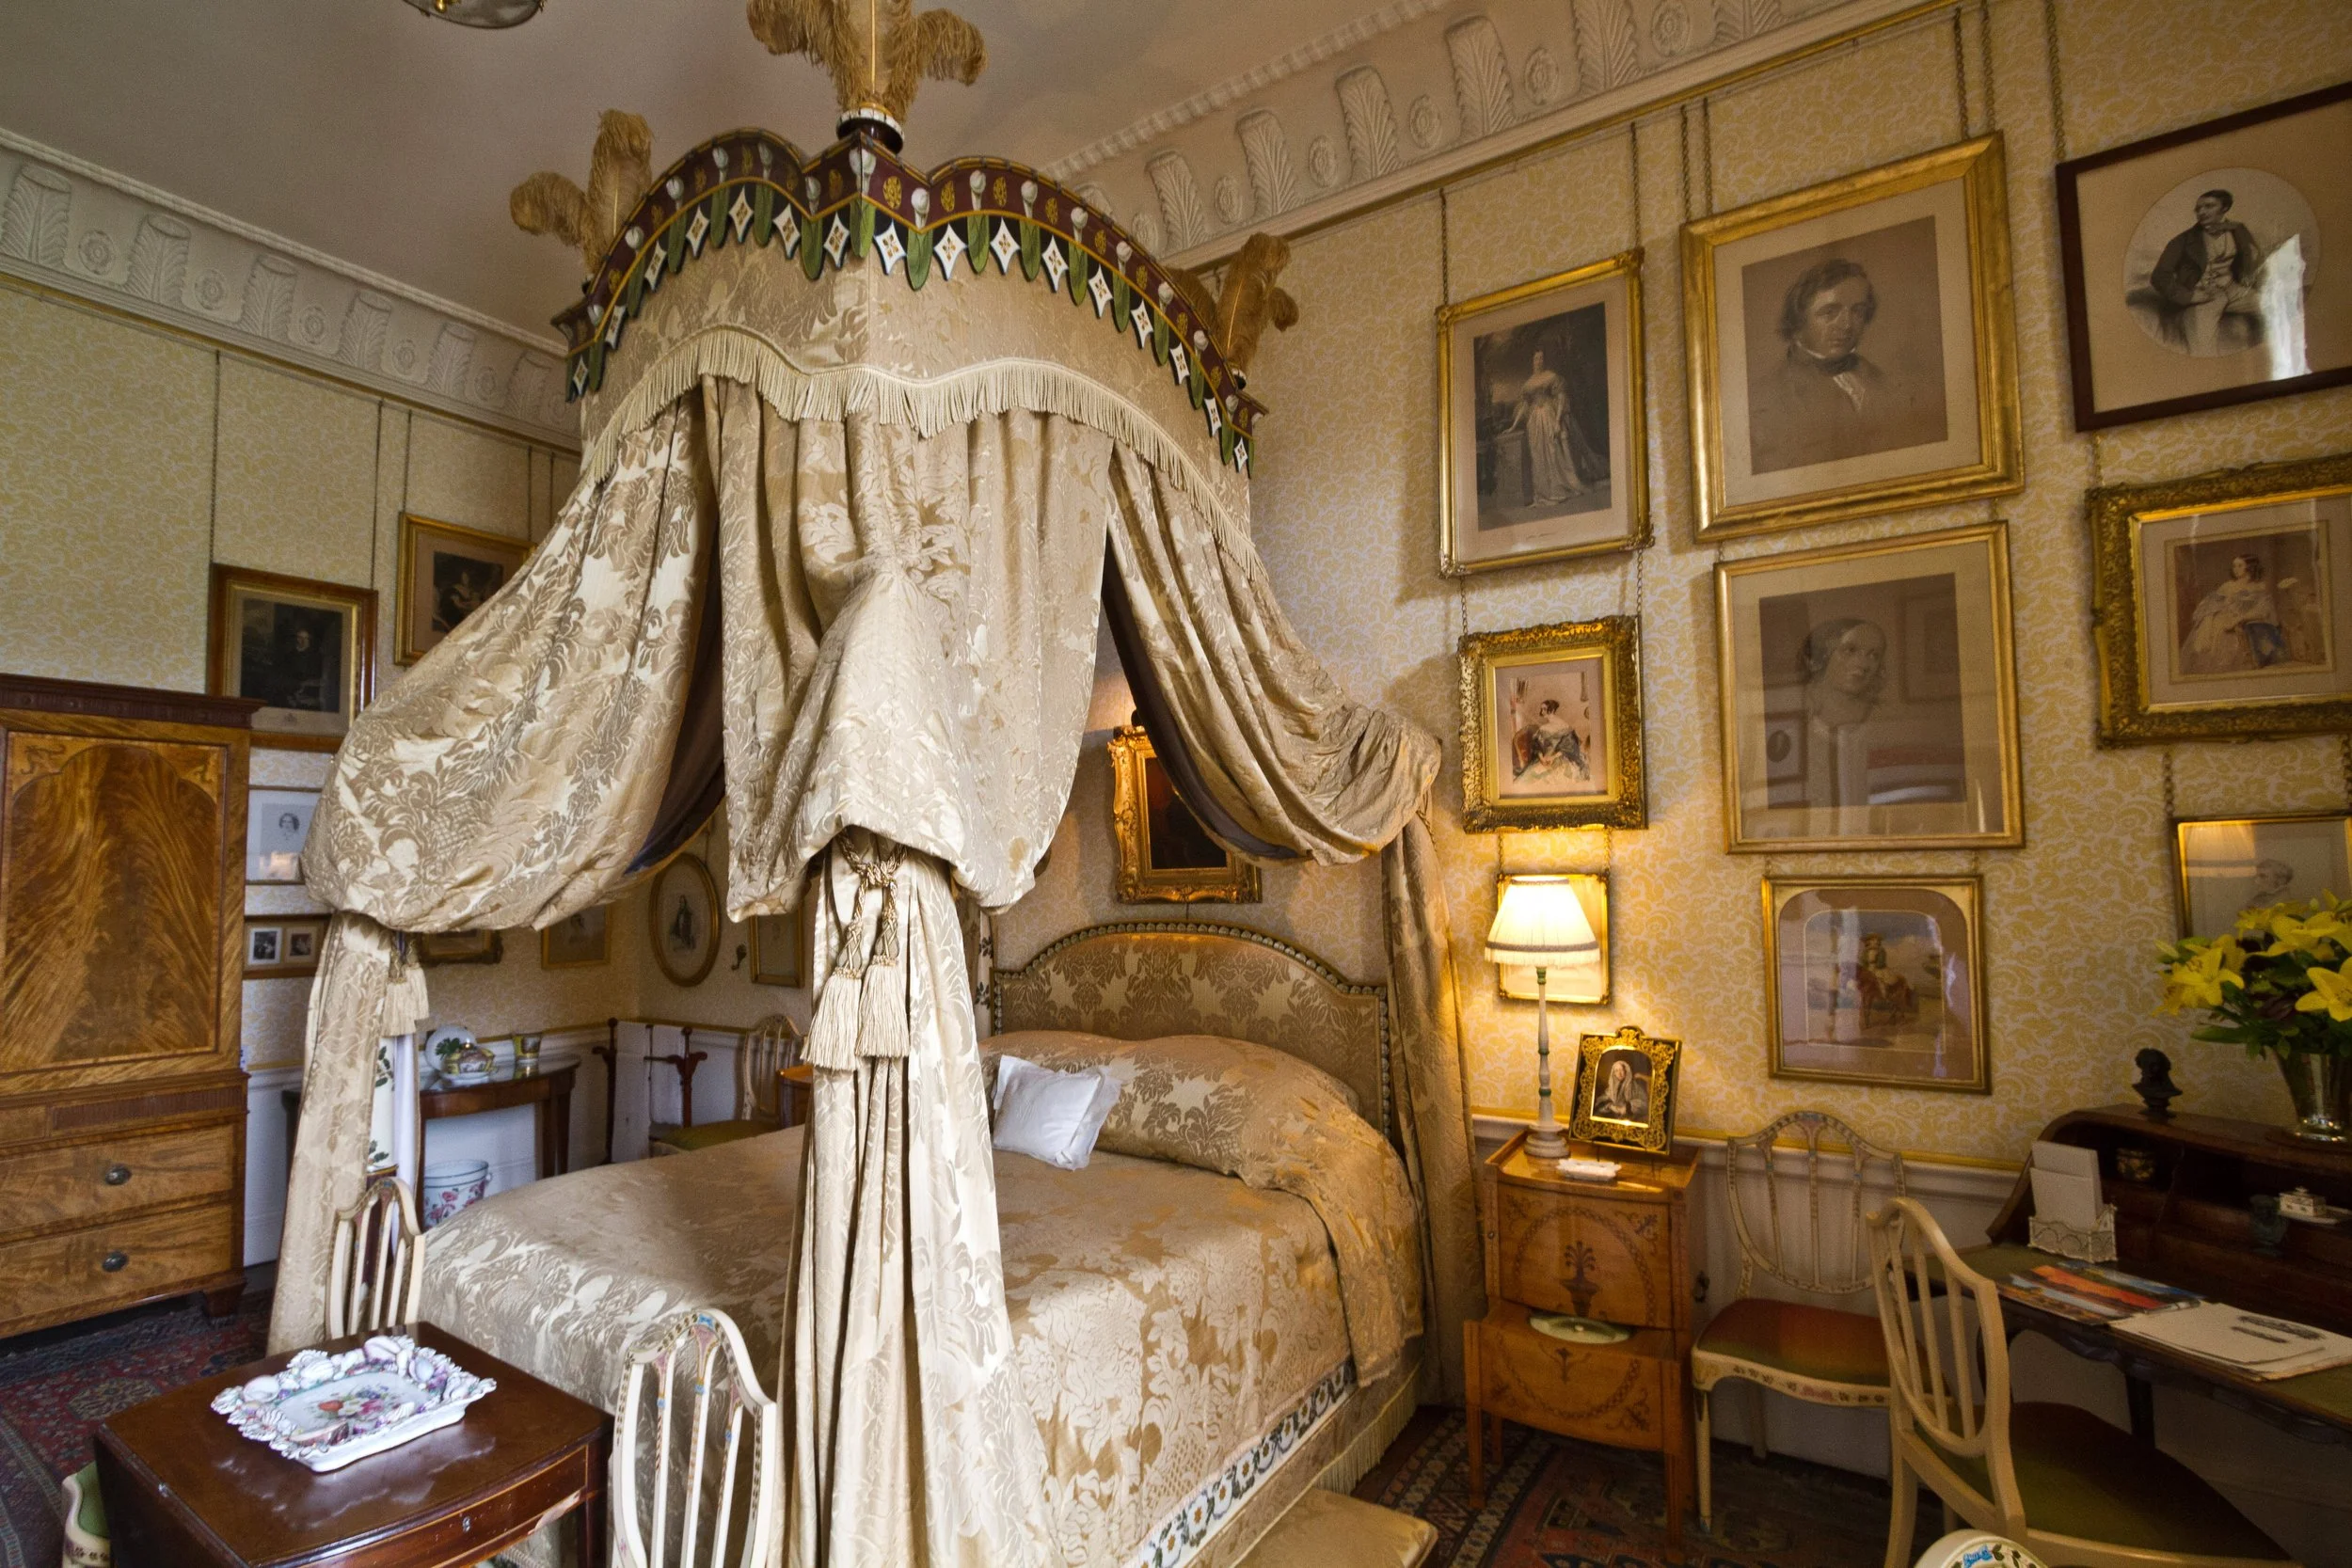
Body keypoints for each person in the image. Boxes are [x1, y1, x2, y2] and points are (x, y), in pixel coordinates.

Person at [1748, 257, 1942, 473]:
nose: (1846, 325)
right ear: (1799, 319)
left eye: (1857, 311)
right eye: (1830, 312)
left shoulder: (1878, 379)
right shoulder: (1767, 398)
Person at [2150, 189, 2265, 356]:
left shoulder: (2237, 229)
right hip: (2204, 297)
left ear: (2225, 208)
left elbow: (2252, 253)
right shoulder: (2182, 240)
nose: (2202, 212)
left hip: (2235, 289)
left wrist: (2247, 277)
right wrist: (2189, 296)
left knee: (2276, 310)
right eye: (2198, 209)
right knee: (2203, 349)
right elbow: (2159, 275)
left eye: (2208, 206)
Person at [1798, 617, 1888, 810]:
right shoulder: (1791, 720)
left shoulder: (1882, 723)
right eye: (1850, 650)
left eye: (1874, 655)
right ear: (1823, 654)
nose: (1863, 664)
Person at [1499, 348, 1598, 507]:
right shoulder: (1528, 384)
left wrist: (1558, 421)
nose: (1539, 361)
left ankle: (1559, 487)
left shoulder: (1551, 377)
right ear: (1532, 361)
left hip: (1550, 415)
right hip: (1535, 422)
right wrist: (1513, 426)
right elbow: (1525, 406)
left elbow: (1561, 397)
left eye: (1541, 358)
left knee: (1554, 452)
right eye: (1536, 358)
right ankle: (1543, 493)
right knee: (1538, 456)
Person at [2179, 554, 2309, 673]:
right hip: (2221, 622)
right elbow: (2211, 605)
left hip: (2243, 622)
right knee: (2217, 636)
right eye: (2234, 566)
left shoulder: (2259, 587)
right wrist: (2211, 623)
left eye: (2240, 565)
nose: (2236, 569)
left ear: (2249, 567)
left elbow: (2263, 610)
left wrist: (2239, 619)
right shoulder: (2228, 586)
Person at [1594, 1056, 1648, 1120]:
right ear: (1614, 1074)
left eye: (1621, 1070)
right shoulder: (1611, 1087)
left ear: (1626, 1071)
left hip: (1630, 1118)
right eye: (1616, 1071)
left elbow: (1645, 1104)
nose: (1619, 1073)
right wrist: (1610, 1106)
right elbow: (1601, 1100)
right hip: (1613, 1116)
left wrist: (1627, 1107)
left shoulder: (1634, 1086)